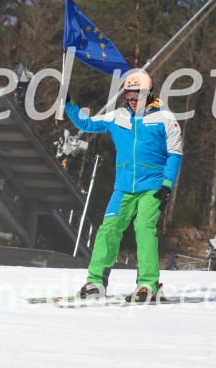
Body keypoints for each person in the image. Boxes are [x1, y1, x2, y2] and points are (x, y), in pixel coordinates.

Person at [65, 70, 183, 302]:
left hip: (152, 187)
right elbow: (86, 123)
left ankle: (148, 285)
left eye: (137, 94)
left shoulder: (165, 119)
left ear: (149, 93)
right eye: (128, 94)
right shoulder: (117, 117)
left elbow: (175, 154)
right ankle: (96, 282)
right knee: (108, 229)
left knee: (143, 229)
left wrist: (167, 184)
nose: (132, 99)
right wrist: (67, 102)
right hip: (123, 188)